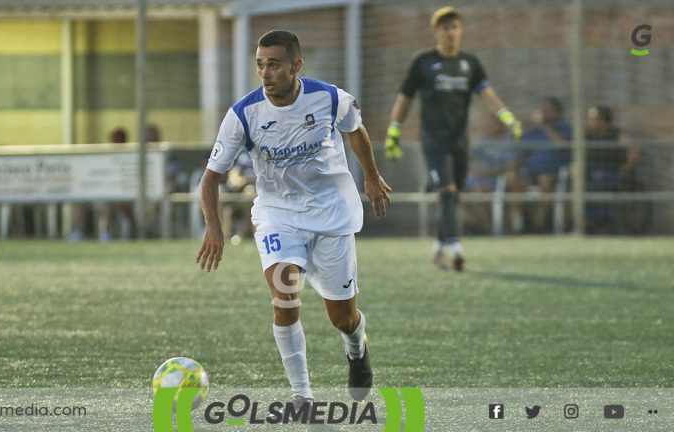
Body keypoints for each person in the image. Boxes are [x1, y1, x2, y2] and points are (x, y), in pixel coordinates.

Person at [196, 30, 392, 404]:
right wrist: (213, 228)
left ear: (296, 66)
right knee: (285, 300)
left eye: (274, 64)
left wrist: (370, 175)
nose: (265, 73)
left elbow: (356, 130)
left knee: (342, 318)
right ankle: (303, 398)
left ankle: (356, 347)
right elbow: (210, 179)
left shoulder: (329, 97)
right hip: (278, 215)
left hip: (331, 215)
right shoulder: (243, 114)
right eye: (260, 65)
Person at [384, 6, 522, 271]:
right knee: (446, 190)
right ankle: (456, 249)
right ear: (437, 31)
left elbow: (487, 93)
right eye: (446, 28)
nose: (451, 32)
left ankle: (438, 250)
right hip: (432, 140)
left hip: (459, 140)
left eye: (455, 27)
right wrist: (394, 128)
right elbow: (405, 97)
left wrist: (506, 116)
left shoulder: (470, 64)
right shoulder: (422, 62)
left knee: (454, 193)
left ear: (461, 30)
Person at [584, 106, 639, 234]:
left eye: (595, 119)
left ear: (605, 120)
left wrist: (626, 168)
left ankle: (601, 222)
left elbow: (635, 149)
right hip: (589, 174)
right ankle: (585, 222)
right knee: (581, 182)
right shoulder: (587, 135)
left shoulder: (616, 133)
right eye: (590, 119)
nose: (591, 122)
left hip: (611, 173)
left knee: (601, 179)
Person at [521, 97, 572, 232]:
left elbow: (561, 145)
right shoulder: (532, 131)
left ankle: (544, 224)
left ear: (557, 112)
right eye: (542, 110)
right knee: (513, 181)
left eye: (547, 110)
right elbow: (521, 153)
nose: (543, 113)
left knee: (545, 180)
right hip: (530, 173)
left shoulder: (564, 128)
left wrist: (545, 127)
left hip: (553, 173)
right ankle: (527, 221)